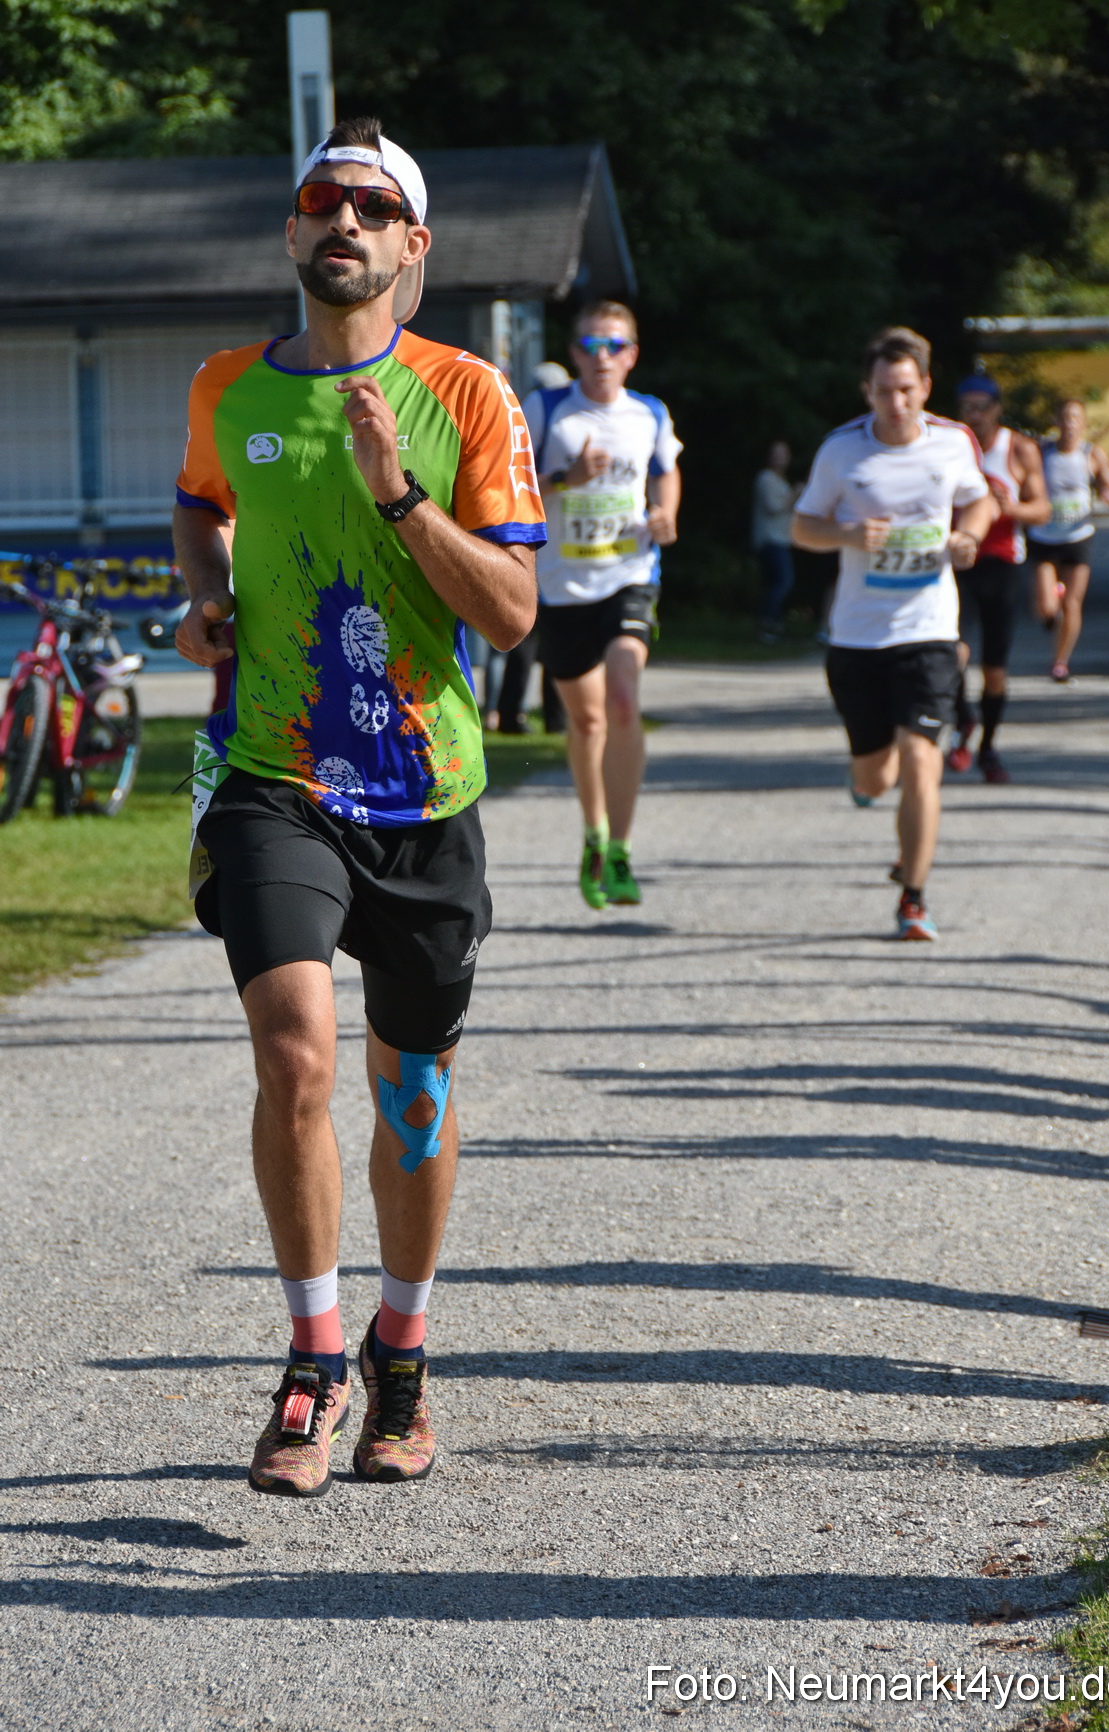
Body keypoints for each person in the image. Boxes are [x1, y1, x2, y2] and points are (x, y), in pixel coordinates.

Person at [172, 118, 543, 1497]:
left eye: (372, 205)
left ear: (411, 245)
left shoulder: (466, 395)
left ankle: (403, 1352)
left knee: (414, 1091)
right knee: (293, 1057)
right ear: (290, 231)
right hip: (274, 775)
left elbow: (509, 613)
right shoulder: (228, 387)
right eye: (320, 199)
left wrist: (396, 497)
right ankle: (313, 1358)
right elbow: (202, 506)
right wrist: (209, 598)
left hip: (424, 794)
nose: (343, 220)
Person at [792, 326, 994, 941]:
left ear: (925, 387)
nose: (896, 402)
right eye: (884, 391)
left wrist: (971, 536)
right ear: (868, 391)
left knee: (921, 760)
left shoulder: (953, 443)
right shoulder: (841, 451)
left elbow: (980, 501)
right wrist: (847, 535)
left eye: (906, 389)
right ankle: (869, 790)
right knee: (875, 776)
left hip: (930, 631)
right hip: (857, 638)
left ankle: (913, 896)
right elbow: (803, 527)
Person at [525, 301, 682, 909]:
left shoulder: (650, 413)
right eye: (590, 346)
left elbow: (665, 471)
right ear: (574, 353)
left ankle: (621, 846)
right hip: (563, 587)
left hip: (630, 573)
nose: (602, 358)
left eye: (614, 346)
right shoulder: (546, 409)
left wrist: (667, 511)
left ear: (632, 354)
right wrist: (567, 479)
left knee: (623, 696)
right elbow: (509, 492)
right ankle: (592, 834)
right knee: (585, 722)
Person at [949, 375, 1050, 783]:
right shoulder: (949, 446)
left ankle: (988, 747)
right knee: (952, 653)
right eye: (967, 406)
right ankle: (963, 720)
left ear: (997, 408)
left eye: (982, 406)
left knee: (994, 669)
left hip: (1002, 564)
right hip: (957, 561)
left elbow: (1042, 509)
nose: (975, 415)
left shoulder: (1019, 448)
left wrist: (1012, 510)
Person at [1030, 398, 1109, 682]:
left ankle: (1060, 662)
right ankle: (1052, 607)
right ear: (1055, 422)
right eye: (1065, 418)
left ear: (1083, 423)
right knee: (1046, 608)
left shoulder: (1092, 454)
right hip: (1044, 536)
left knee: (1072, 604)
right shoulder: (1042, 452)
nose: (1070, 424)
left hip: (1078, 536)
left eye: (1076, 418)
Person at [751, 440, 799, 640]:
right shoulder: (766, 478)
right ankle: (767, 624)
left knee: (777, 583)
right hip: (770, 539)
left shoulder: (780, 480)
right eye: (777, 453)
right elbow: (773, 507)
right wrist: (795, 495)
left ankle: (774, 626)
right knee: (782, 583)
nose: (781, 458)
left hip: (782, 540)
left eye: (784, 454)